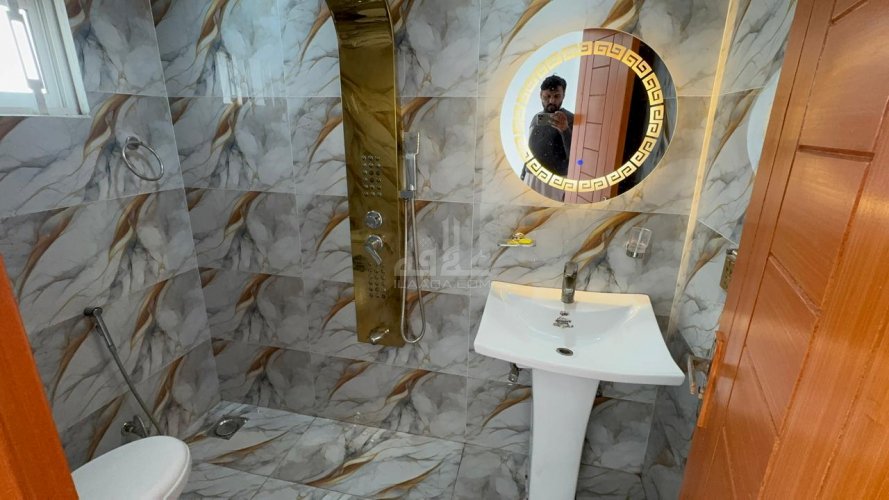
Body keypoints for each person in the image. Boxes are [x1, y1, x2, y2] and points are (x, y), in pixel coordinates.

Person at [525, 75, 574, 201]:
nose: (552, 101)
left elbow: (575, 157)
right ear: (540, 95)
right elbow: (529, 151)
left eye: (557, 96)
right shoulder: (536, 118)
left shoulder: (571, 119)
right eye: (547, 96)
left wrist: (565, 130)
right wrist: (523, 175)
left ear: (563, 95)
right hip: (530, 177)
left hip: (554, 181)